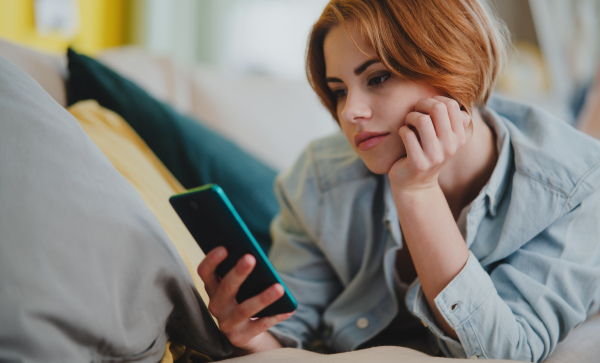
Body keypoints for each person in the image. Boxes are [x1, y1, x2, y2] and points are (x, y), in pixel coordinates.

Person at [197, 0, 600, 361]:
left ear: (449, 64)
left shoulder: (576, 187)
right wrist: (249, 337)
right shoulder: (320, 177)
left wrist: (418, 191)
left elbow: (508, 354)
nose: (350, 112)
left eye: (376, 78)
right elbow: (289, 334)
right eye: (338, 91)